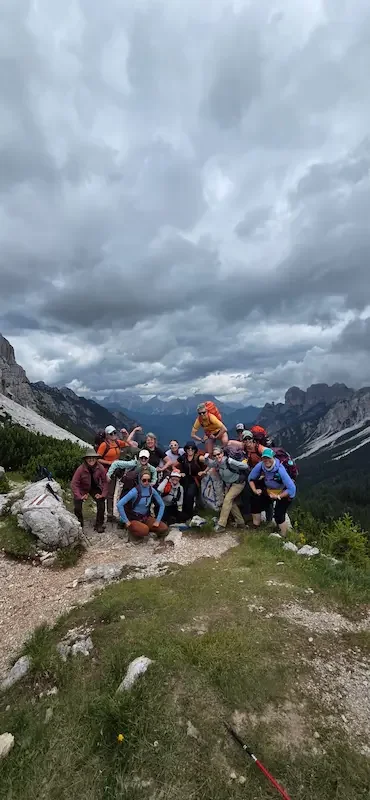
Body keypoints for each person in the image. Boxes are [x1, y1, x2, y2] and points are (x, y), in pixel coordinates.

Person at [248, 448, 296, 535]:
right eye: (264, 458)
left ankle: (284, 536)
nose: (266, 460)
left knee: (279, 514)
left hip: (284, 493)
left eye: (269, 458)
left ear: (273, 458)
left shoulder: (280, 470)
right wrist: (255, 490)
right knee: (255, 502)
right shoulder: (260, 466)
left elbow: (292, 489)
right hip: (269, 490)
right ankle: (256, 527)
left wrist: (278, 496)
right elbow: (250, 478)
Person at [97, 425, 139, 521]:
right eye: (111, 433)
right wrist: (109, 462)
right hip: (107, 471)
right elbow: (97, 459)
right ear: (107, 435)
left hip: (115, 471)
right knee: (109, 493)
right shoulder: (104, 445)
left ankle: (110, 514)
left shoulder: (117, 442)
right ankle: (109, 515)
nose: (113, 435)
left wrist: (127, 434)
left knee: (112, 492)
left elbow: (127, 443)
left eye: (115, 432)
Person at [116, 469, 168, 541]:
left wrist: (158, 521)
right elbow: (119, 504)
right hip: (133, 518)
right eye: (144, 480)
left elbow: (162, 504)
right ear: (140, 480)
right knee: (144, 530)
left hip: (145, 517)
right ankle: (133, 532)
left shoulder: (151, 490)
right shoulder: (135, 491)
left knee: (163, 528)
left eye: (148, 480)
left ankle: (142, 529)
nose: (146, 482)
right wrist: (126, 521)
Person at [204, 445, 245, 532]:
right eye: (214, 455)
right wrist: (206, 458)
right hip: (229, 485)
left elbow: (244, 466)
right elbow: (209, 463)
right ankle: (241, 523)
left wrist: (233, 462)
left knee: (227, 500)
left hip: (238, 483)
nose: (217, 457)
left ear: (222, 453)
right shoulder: (217, 463)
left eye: (218, 454)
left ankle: (221, 525)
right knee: (230, 502)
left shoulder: (228, 461)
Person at [71, 449, 108, 533]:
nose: (91, 459)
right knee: (77, 506)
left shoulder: (100, 467)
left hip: (94, 487)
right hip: (82, 488)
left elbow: (105, 481)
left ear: (96, 459)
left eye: (93, 458)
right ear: (86, 459)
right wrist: (79, 496)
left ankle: (99, 524)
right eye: (89, 458)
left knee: (101, 502)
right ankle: (79, 524)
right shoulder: (80, 469)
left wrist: (103, 494)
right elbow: (74, 484)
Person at [178, 441, 207, 520]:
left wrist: (204, 471)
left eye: (192, 448)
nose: (190, 450)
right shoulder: (183, 457)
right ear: (186, 449)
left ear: (195, 449)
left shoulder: (198, 457)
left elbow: (208, 463)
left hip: (195, 480)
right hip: (185, 479)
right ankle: (184, 515)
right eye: (188, 448)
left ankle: (189, 515)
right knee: (183, 496)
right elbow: (174, 465)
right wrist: (179, 472)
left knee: (190, 496)